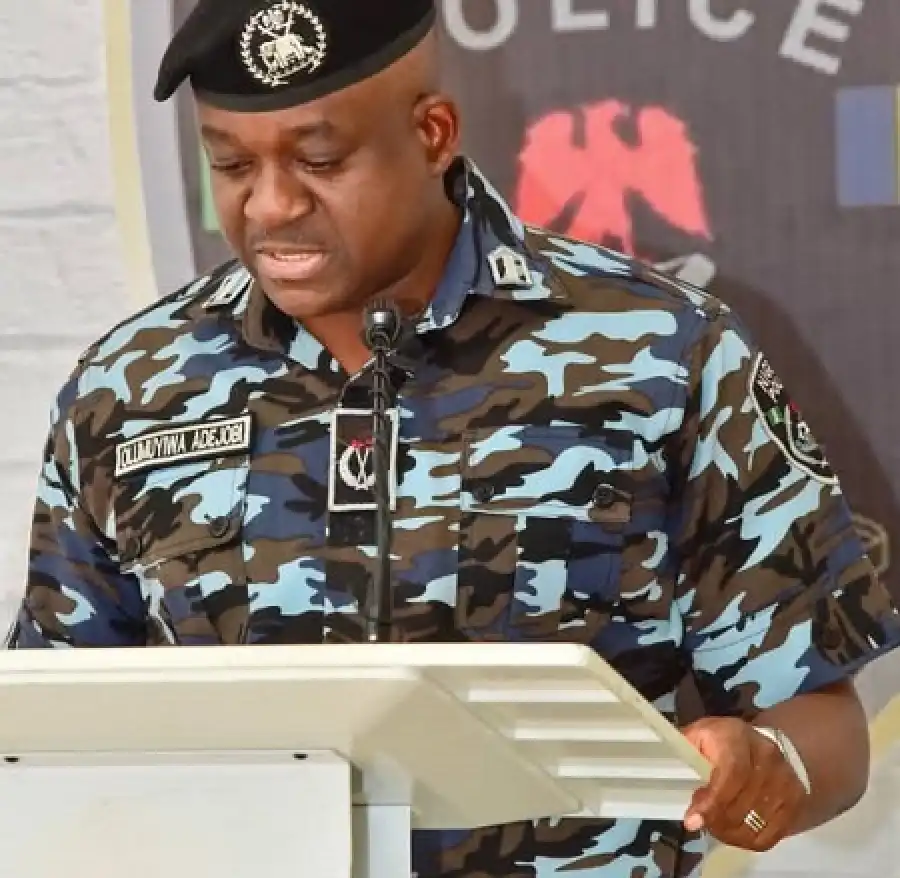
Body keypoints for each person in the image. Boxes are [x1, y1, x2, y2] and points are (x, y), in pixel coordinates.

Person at [7, 0, 900, 874]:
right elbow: (57, 730)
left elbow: (821, 721)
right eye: (231, 164)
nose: (270, 206)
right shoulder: (129, 387)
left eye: (320, 160)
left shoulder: (660, 352)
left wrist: (765, 774)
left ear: (433, 134)